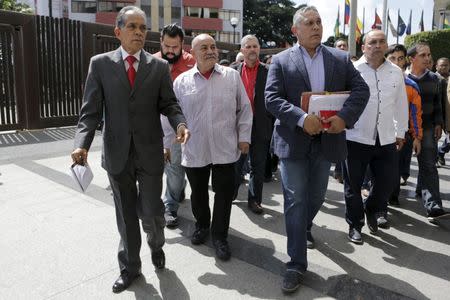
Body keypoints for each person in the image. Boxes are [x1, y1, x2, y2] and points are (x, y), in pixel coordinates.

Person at [71, 6, 190, 294]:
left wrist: (180, 124)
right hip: (117, 154)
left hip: (150, 153)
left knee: (151, 211)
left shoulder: (158, 67)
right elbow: (90, 112)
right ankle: (130, 267)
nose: (139, 32)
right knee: (125, 216)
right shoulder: (99, 65)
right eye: (132, 26)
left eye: (143, 27)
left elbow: (169, 104)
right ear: (118, 31)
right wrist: (80, 145)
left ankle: (157, 245)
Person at [265, 6, 369, 294]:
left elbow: (361, 91)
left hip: (327, 142)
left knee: (316, 196)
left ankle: (303, 227)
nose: (316, 27)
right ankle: (296, 263)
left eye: (318, 22)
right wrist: (301, 118)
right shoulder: (282, 61)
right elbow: (271, 98)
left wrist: (343, 118)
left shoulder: (339, 58)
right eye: (308, 23)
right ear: (295, 30)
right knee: (296, 200)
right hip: (294, 141)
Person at [173, 34, 252, 261]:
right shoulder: (182, 81)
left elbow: (245, 109)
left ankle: (220, 236)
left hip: (225, 148)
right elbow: (172, 113)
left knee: (224, 195)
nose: (210, 51)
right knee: (198, 194)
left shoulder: (232, 77)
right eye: (204, 47)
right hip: (195, 148)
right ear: (193, 52)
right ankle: (201, 226)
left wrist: (244, 136)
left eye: (213, 46)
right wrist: (167, 144)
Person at [344, 31, 409, 243]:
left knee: (387, 182)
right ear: (364, 47)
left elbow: (401, 104)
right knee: (353, 186)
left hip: (386, 137)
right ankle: (355, 225)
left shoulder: (396, 72)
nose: (377, 46)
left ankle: (371, 208)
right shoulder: (351, 70)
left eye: (382, 42)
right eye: (372, 42)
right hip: (356, 136)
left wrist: (401, 132)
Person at [154, 23, 196, 229]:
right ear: (161, 42)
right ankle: (170, 206)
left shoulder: (192, 62)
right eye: (166, 46)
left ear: (182, 45)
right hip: (161, 126)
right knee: (172, 168)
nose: (170, 51)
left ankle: (175, 194)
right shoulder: (152, 62)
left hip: (185, 125)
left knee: (177, 169)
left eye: (175, 47)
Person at [406, 42, 450, 221]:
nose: (428, 58)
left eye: (429, 55)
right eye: (423, 55)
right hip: (403, 129)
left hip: (429, 128)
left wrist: (439, 123)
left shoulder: (435, 79)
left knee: (429, 165)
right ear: (412, 58)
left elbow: (438, 103)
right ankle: (388, 199)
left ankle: (433, 206)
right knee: (396, 166)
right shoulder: (400, 78)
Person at [233, 35, 272, 214]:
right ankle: (231, 193)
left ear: (259, 49)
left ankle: (255, 200)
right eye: (248, 46)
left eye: (255, 46)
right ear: (242, 50)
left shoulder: (269, 71)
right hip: (237, 125)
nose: (252, 50)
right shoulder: (232, 71)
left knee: (258, 165)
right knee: (235, 163)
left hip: (260, 125)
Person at [384, 44, 422, 211]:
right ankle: (377, 204)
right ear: (385, 59)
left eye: (400, 58)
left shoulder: (412, 86)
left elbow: (415, 114)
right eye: (392, 58)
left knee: (396, 169)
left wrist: (417, 137)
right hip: (379, 134)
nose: (396, 62)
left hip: (401, 135)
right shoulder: (378, 81)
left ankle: (392, 197)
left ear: (405, 61)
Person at [332, 38, 349, 183]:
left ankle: (341, 170)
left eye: (344, 45)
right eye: (339, 45)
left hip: (345, 115)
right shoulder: (329, 63)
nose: (342, 47)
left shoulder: (349, 65)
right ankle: (338, 170)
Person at [435, 58, 450, 166]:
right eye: (442, 65)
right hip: (438, 113)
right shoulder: (434, 78)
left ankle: (441, 151)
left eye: (446, 65)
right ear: (436, 66)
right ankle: (436, 156)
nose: (444, 67)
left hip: (448, 113)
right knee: (435, 137)